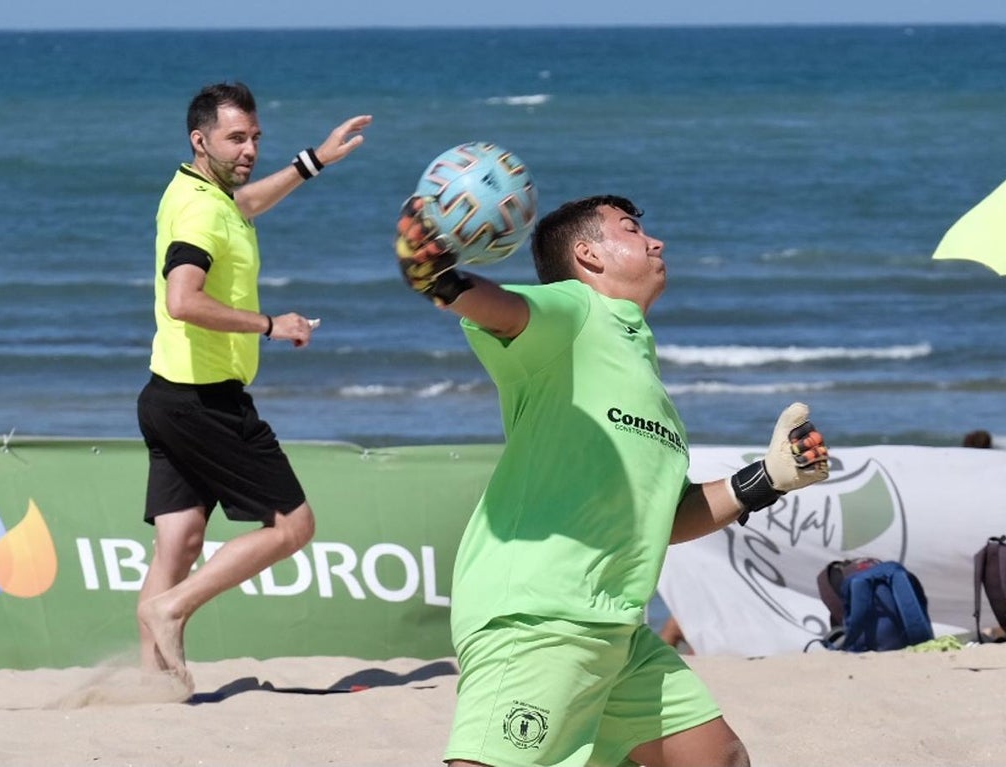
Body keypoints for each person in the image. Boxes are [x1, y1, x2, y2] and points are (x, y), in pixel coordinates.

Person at [395, 194, 831, 766]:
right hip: (544, 614)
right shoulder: (573, 311)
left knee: (717, 758)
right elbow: (502, 309)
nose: (656, 242)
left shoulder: (637, 360)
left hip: (616, 626)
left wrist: (768, 478)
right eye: (631, 230)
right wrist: (443, 281)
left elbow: (663, 519)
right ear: (588, 255)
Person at [135, 82, 371, 689]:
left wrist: (314, 160)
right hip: (205, 403)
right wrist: (271, 324)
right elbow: (183, 300)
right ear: (200, 138)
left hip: (167, 394)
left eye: (255, 137)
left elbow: (244, 206)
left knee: (180, 542)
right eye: (236, 138)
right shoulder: (198, 209)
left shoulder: (200, 190)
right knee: (294, 526)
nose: (249, 150)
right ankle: (171, 609)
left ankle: (151, 685)